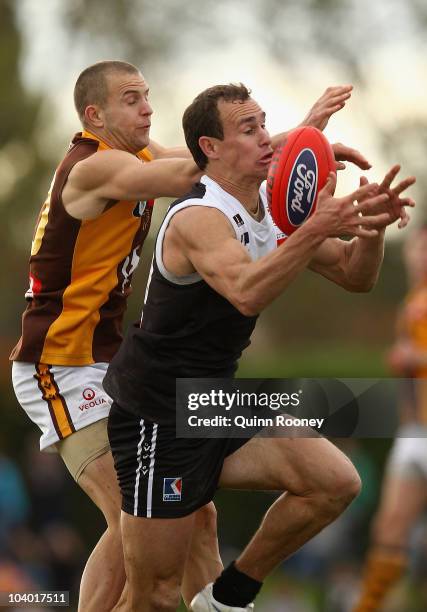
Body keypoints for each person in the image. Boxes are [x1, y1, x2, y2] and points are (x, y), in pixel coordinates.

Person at [9, 59, 357, 611]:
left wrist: (299, 141)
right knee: (133, 512)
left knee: (193, 511)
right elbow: (195, 173)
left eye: (147, 95)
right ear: (94, 114)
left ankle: (216, 602)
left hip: (108, 358)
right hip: (59, 366)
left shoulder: (136, 155)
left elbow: (220, 157)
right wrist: (296, 153)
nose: (147, 106)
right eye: (131, 99)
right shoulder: (92, 167)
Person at [103, 82, 416, 611]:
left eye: (264, 124)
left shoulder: (271, 210)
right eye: (248, 130)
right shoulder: (198, 216)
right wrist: (316, 227)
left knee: (334, 481)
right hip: (159, 413)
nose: (266, 137)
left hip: (213, 401)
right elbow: (247, 293)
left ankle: (228, 597)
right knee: (152, 596)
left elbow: (353, 276)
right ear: (211, 148)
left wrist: (371, 229)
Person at [353, 225, 427, 612]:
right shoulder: (411, 303)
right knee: (389, 529)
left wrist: (417, 359)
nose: (422, 257)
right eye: (418, 249)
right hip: (415, 434)